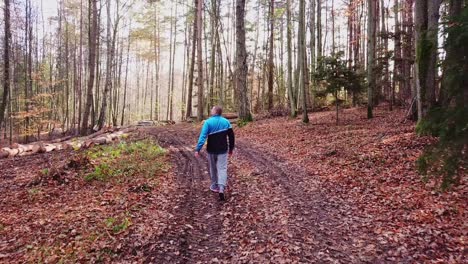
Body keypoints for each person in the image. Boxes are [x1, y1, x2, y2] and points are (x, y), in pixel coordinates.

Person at [194, 106, 235, 201]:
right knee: (222, 168)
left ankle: (214, 186)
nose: (210, 110)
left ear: (215, 112)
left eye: (212, 109)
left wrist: (198, 149)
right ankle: (221, 188)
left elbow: (203, 137)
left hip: (211, 150)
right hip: (223, 150)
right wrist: (231, 149)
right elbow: (231, 136)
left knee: (213, 168)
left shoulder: (208, 122)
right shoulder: (226, 122)